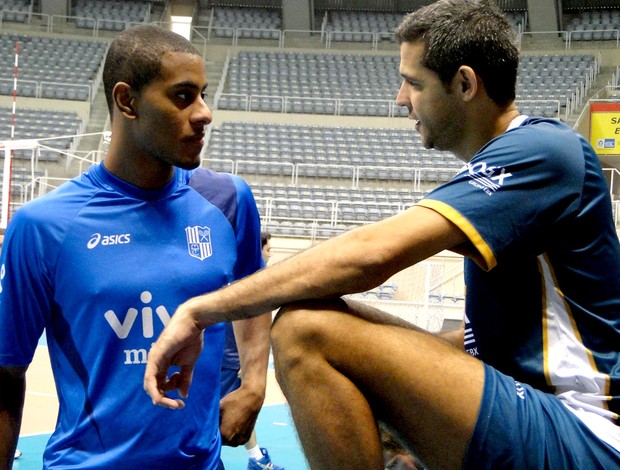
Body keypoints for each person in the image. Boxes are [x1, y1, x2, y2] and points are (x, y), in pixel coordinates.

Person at [144, 1, 620, 469]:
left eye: (413, 82)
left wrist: (200, 311)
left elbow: (371, 257)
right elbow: (486, 350)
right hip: (539, 411)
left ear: (465, 83)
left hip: (586, 430)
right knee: (325, 317)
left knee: (305, 329)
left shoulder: (543, 149)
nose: (400, 99)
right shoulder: (513, 164)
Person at [0, 24, 271, 469]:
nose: (204, 113)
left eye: (203, 94)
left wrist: (255, 383)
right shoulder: (43, 226)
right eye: (183, 96)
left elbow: (255, 291)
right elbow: (6, 375)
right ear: (127, 101)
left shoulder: (227, 201)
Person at [220, 231, 283, 470]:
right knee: (221, 413)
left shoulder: (254, 278)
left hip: (234, 360)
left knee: (242, 410)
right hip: (230, 360)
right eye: (268, 249)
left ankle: (256, 458)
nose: (271, 253)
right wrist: (245, 365)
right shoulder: (241, 280)